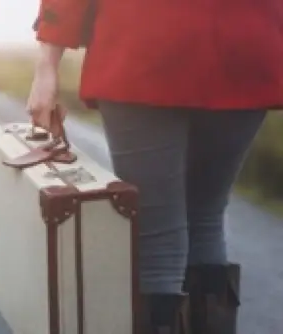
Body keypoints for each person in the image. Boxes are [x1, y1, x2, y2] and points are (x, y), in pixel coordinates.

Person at [27, 1, 283, 333]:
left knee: (157, 237)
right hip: (246, 47)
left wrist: (46, 67)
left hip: (145, 47)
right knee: (205, 217)